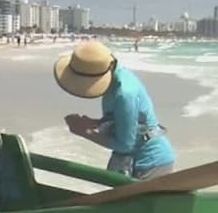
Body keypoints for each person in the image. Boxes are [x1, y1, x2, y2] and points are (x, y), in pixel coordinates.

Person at [55, 40, 176, 180]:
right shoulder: (116, 77)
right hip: (131, 160)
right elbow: (126, 120)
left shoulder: (124, 93)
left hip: (150, 163)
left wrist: (85, 132)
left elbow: (125, 145)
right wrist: (95, 123)